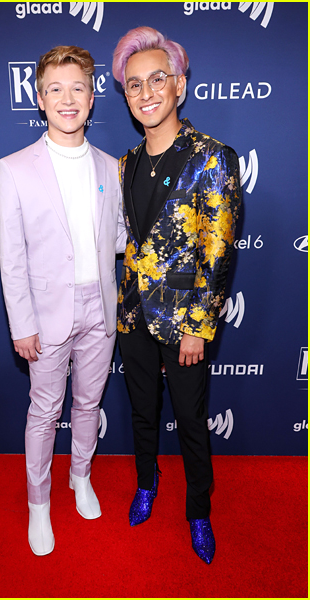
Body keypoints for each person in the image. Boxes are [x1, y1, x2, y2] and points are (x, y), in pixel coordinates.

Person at [112, 27, 241, 564]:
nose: (146, 92)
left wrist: (199, 325)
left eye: (157, 79)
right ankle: (147, 481)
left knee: (190, 418)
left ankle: (198, 510)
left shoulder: (212, 157)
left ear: (180, 85)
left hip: (185, 321)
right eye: (134, 84)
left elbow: (221, 249)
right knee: (143, 410)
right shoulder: (127, 161)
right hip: (133, 313)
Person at [0, 45, 126, 556]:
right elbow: (12, 257)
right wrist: (21, 323)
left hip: (101, 308)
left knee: (89, 402)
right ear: (40, 97)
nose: (67, 99)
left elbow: (117, 238)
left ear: (92, 98)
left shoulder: (112, 167)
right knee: (45, 411)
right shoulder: (14, 168)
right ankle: (39, 503)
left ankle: (80, 477)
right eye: (56, 89)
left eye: (78, 88)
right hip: (45, 315)